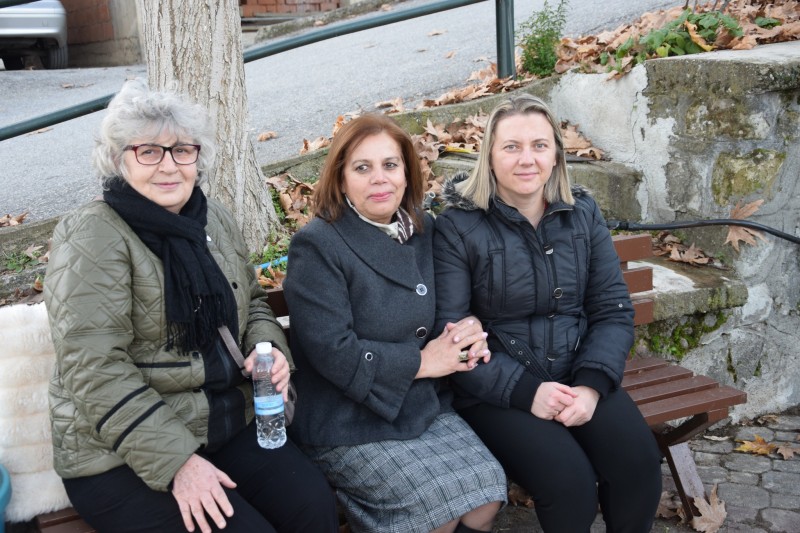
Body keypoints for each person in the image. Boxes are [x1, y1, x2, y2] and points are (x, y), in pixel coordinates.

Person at [43, 80, 337, 533]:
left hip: (221, 423)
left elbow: (253, 302)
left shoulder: (212, 217)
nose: (169, 166)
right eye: (148, 151)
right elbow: (94, 368)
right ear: (119, 159)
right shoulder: (93, 235)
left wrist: (269, 349)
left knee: (313, 509)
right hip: (119, 452)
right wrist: (179, 463)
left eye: (182, 150)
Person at [433, 94, 663, 533]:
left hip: (578, 375)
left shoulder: (581, 214)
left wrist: (591, 386)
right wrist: (528, 393)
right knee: (569, 485)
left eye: (539, 145)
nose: (527, 159)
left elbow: (612, 309)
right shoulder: (458, 227)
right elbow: (453, 340)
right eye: (511, 147)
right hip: (499, 391)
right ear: (490, 156)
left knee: (638, 466)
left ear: (556, 154)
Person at [282, 114, 507, 533]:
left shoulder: (422, 229)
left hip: (419, 405)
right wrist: (424, 362)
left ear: (407, 172)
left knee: (487, 496)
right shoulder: (317, 245)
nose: (379, 179)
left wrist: (465, 332)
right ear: (341, 178)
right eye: (362, 168)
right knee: (436, 512)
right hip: (345, 418)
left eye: (390, 165)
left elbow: (447, 310)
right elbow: (332, 350)